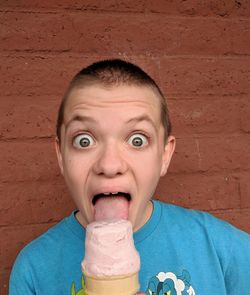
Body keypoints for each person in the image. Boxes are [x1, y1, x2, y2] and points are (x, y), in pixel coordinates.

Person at [9, 59, 250, 295]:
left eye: (137, 140)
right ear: (61, 155)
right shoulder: (33, 270)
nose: (110, 165)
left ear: (165, 155)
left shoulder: (225, 251)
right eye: (84, 141)